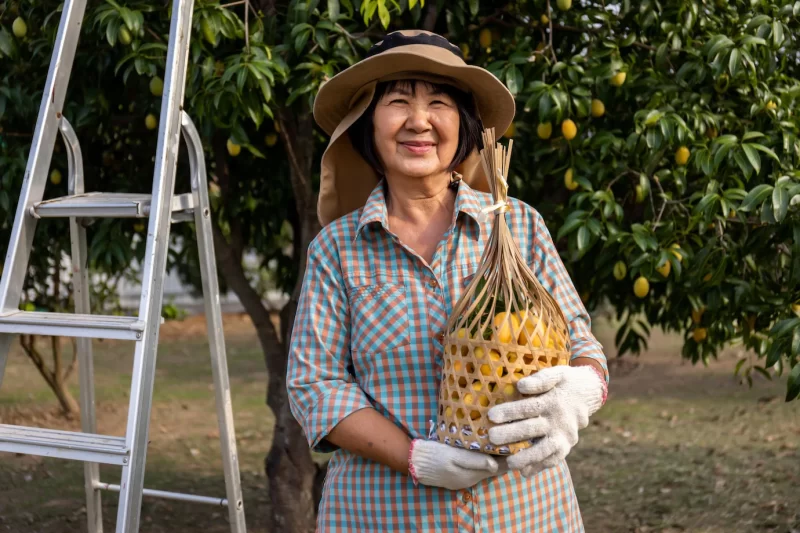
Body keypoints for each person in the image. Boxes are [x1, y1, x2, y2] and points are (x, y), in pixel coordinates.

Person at [286, 29, 609, 533]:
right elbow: (315, 386)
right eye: (397, 102)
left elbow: (582, 345)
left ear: (465, 125)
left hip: (524, 512)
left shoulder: (518, 226)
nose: (420, 120)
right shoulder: (337, 250)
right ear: (368, 125)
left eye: (439, 102)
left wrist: (582, 389)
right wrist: (415, 457)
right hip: (383, 514)